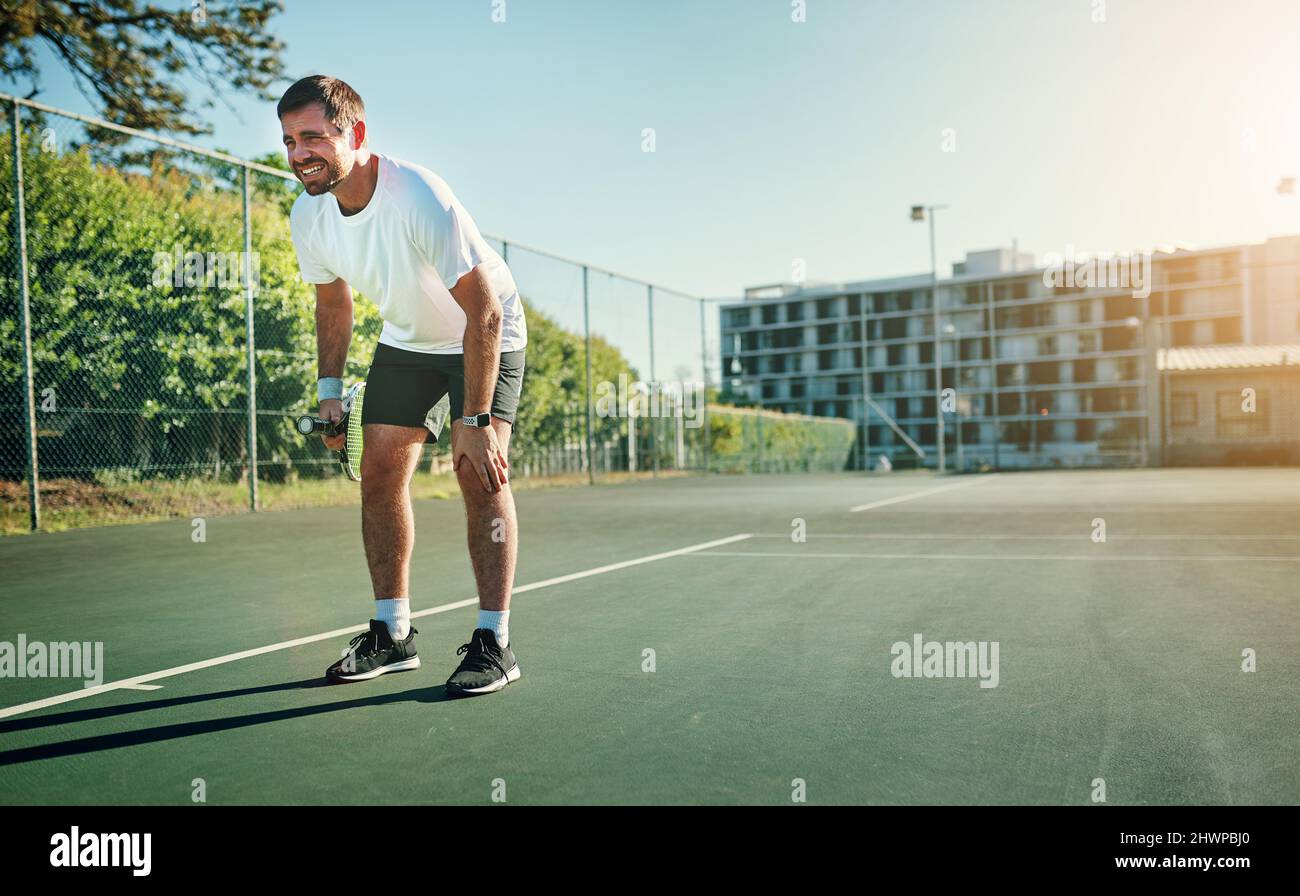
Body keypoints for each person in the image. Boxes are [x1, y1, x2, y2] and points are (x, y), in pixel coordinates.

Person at [280, 75, 526, 697]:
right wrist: (328, 391)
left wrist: (474, 425)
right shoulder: (308, 214)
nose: (299, 152)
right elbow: (333, 306)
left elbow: (485, 312)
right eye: (288, 140)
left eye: (313, 136)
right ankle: (393, 635)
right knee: (381, 471)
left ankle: (494, 642)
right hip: (410, 340)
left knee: (479, 472)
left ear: (355, 134)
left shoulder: (418, 196)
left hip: (486, 329)